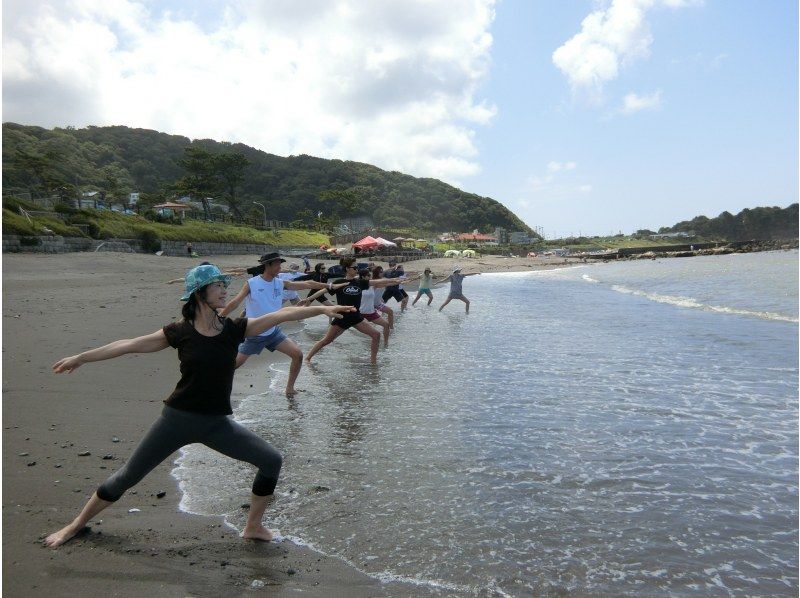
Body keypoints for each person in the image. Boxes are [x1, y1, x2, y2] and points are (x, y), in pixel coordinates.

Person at [43, 263, 354, 549]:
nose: (225, 290)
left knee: (271, 460)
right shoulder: (180, 332)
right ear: (199, 292)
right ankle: (75, 525)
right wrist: (81, 357)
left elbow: (281, 316)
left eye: (224, 285)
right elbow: (128, 345)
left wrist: (324, 309)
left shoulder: (234, 329)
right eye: (218, 285)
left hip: (217, 424)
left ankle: (253, 527)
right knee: (128, 477)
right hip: (176, 420)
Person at [220, 253, 346, 397]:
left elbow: (308, 284)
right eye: (277, 264)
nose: (280, 267)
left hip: (273, 332)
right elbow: (235, 302)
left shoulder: (280, 283)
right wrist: (220, 317)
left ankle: (289, 389)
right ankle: (215, 386)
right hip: (254, 333)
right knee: (233, 365)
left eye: (280, 264)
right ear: (267, 265)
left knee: (297, 355)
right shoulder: (252, 283)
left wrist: (330, 285)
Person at [304, 257, 410, 365]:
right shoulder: (340, 282)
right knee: (327, 340)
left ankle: (373, 362)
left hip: (356, 317)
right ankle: (307, 358)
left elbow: (379, 281)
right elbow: (323, 291)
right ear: (347, 268)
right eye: (354, 267)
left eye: (357, 267)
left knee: (376, 335)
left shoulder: (360, 282)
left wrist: (397, 280)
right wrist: (308, 299)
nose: (356, 269)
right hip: (342, 318)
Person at [356, 268, 391, 348]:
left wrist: (399, 281)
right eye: (368, 275)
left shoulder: (372, 285)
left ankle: (386, 344)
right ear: (363, 277)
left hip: (371, 312)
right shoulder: (357, 285)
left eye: (370, 275)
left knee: (386, 325)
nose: (370, 277)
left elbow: (386, 283)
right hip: (359, 313)